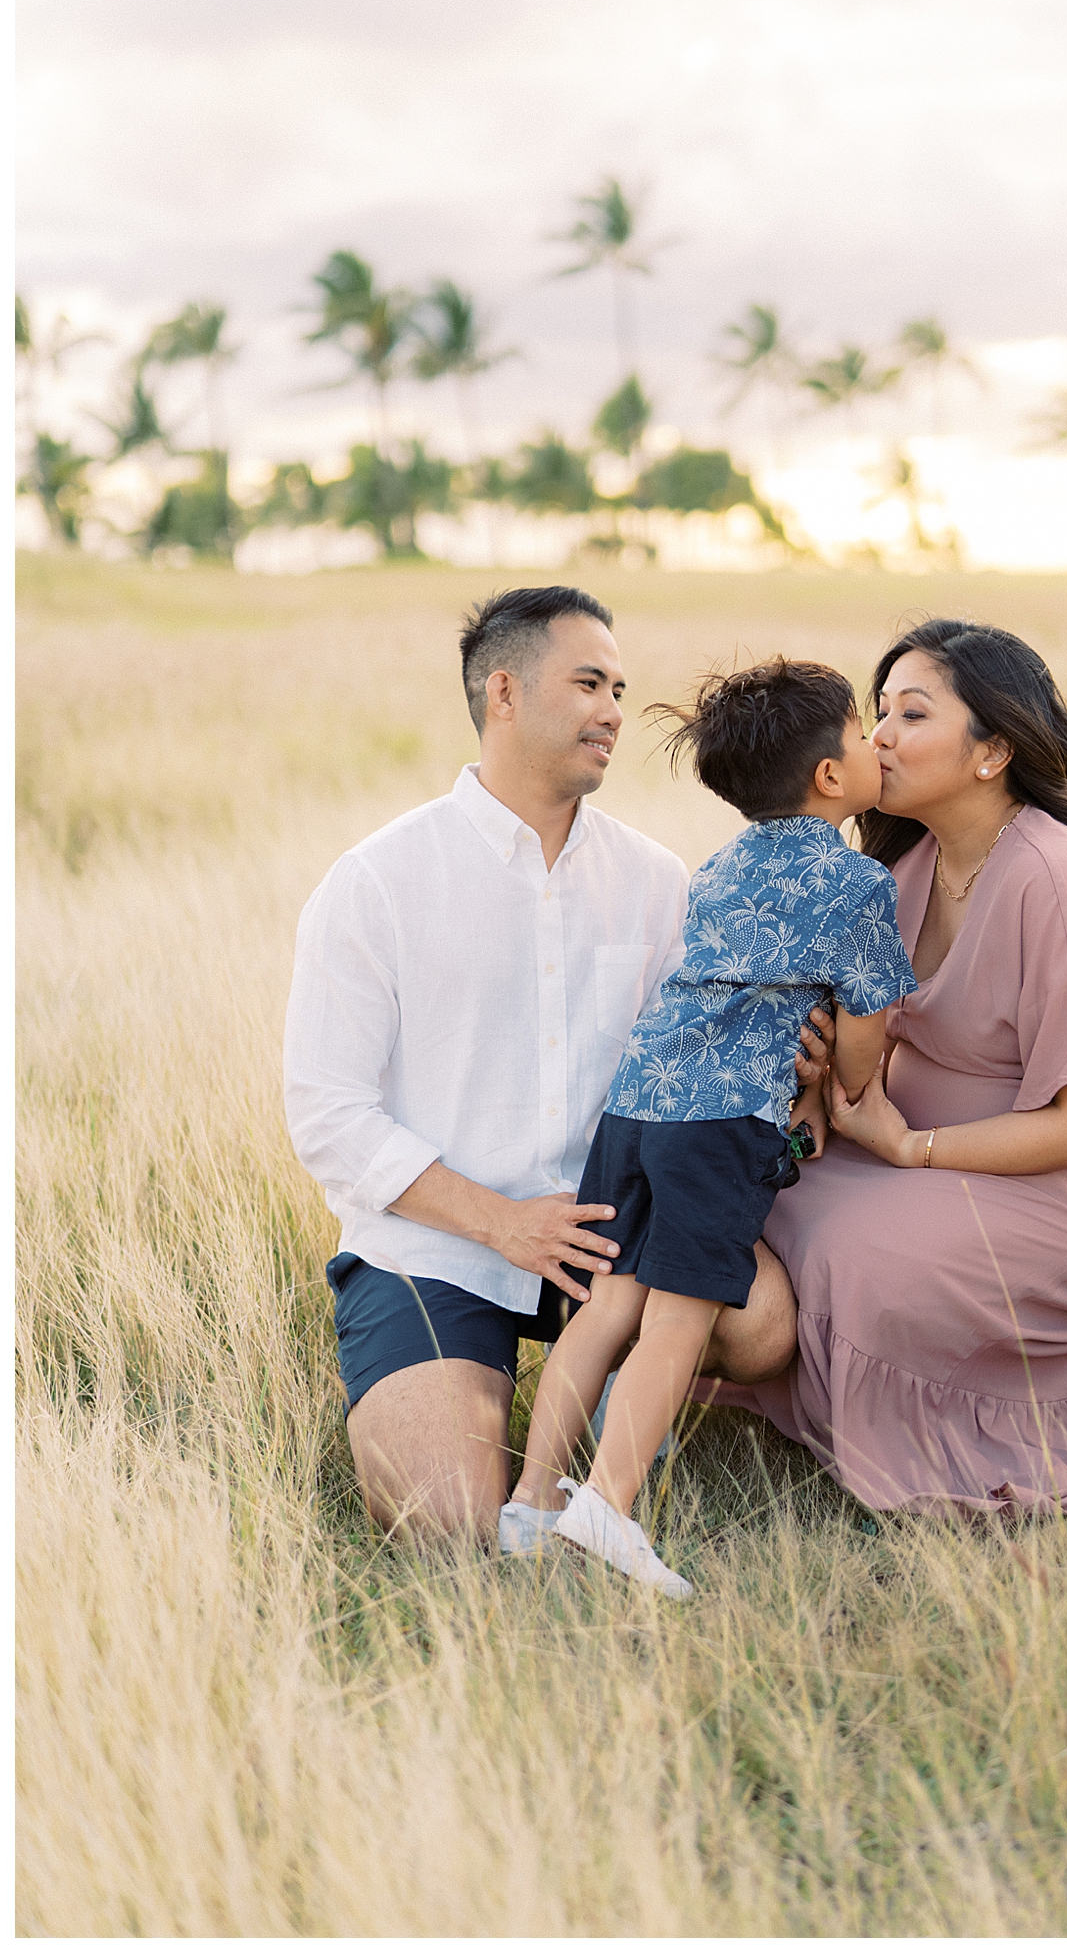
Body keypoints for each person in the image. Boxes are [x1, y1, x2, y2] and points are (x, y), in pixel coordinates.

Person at [283, 587, 828, 1542]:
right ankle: (482, 1392)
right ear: (504, 692)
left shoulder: (659, 881)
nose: (614, 710)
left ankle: (623, 1381)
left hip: (619, 1229)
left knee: (765, 1324)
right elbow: (327, 1113)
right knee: (443, 1518)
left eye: (620, 686)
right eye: (588, 683)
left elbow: (692, 1065)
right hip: (442, 1241)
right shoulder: (377, 881)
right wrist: (502, 1225)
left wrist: (792, 1060)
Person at [711, 618, 1067, 1520]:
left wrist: (912, 1151)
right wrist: (824, 1086)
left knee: (848, 1254)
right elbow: (875, 1042)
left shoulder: (1061, 884)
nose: (877, 739)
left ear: (993, 751)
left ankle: (959, 1431)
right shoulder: (907, 866)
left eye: (911, 714)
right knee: (762, 1193)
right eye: (877, 716)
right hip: (938, 1150)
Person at [502, 659, 917, 1594]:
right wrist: (855, 1093)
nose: (873, 744)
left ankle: (529, 1504)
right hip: (719, 1122)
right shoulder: (855, 885)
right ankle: (609, 1508)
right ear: (828, 777)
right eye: (860, 732)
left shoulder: (722, 865)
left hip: (637, 1103)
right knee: (678, 1321)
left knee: (609, 1306)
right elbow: (865, 1025)